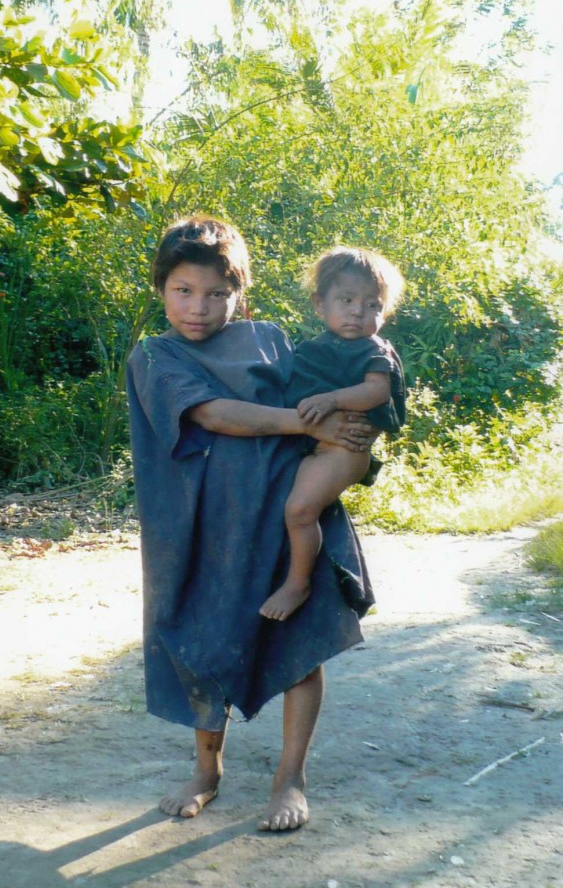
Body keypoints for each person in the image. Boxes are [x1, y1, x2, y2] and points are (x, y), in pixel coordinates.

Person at [126, 216, 377, 832]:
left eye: (217, 293)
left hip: (290, 517)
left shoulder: (269, 339)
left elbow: (334, 385)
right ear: (161, 289)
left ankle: (290, 778)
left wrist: (354, 430)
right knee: (202, 642)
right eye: (184, 290)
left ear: (239, 293)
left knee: (301, 645)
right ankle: (206, 772)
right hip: (203, 529)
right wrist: (308, 423)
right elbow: (215, 414)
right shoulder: (155, 355)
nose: (199, 307)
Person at [260, 247, 406, 621]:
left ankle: (298, 584)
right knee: (286, 508)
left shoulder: (372, 349)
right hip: (317, 448)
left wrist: (332, 399)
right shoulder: (315, 348)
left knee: (299, 511)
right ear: (319, 304)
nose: (358, 312)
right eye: (347, 300)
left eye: (372, 305)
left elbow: (377, 392)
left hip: (343, 450)